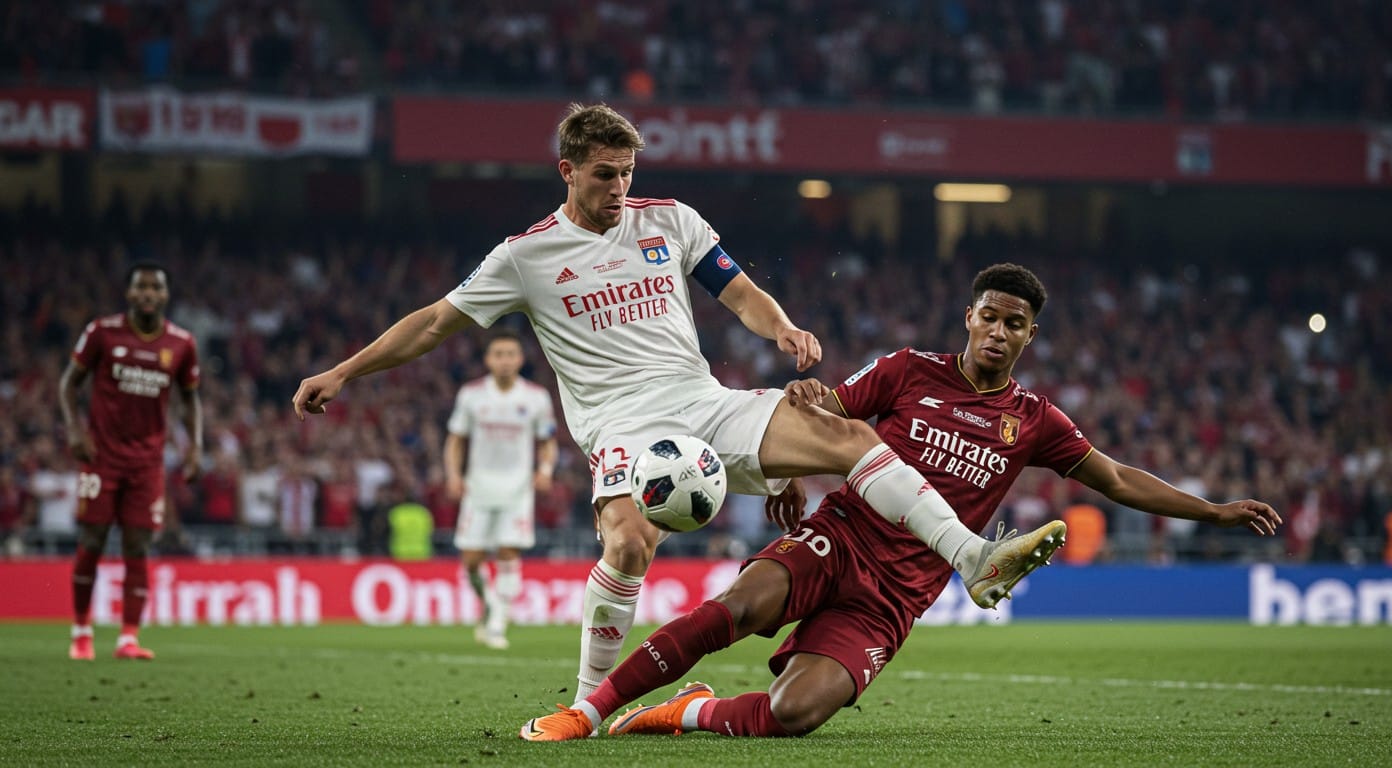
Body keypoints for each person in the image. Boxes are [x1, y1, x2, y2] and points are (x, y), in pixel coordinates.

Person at [293, 103, 1056, 708]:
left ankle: (973, 557)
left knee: (845, 434)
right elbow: (432, 322)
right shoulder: (524, 257)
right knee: (627, 547)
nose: (619, 189)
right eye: (603, 176)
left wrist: (782, 325)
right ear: (567, 171)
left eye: (627, 173)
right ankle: (591, 699)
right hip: (623, 426)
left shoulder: (670, 220)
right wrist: (346, 371)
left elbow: (739, 291)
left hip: (703, 401)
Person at [518, 262, 1282, 741]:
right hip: (842, 535)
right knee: (740, 608)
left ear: (1029, 336)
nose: (998, 330)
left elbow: (1115, 479)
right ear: (971, 318)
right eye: (990, 315)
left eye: (1015, 323)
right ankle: (586, 712)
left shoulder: (1035, 421)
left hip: (897, 592)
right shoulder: (909, 370)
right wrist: (789, 472)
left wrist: (1213, 511)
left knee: (793, 714)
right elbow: (819, 421)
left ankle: (683, 711)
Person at [59, 262, 202, 660]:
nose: (148, 294)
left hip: (147, 462)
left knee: (138, 546)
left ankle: (128, 638)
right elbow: (69, 382)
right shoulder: (102, 332)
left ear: (165, 295)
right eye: (141, 287)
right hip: (101, 456)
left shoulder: (181, 343)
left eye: (155, 287)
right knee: (93, 539)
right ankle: (81, 631)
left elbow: (191, 399)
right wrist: (74, 429)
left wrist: (195, 446)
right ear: (129, 293)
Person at [442, 331, 559, 650]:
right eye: (499, 354)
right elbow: (455, 440)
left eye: (511, 354)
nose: (505, 360)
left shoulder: (535, 397)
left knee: (508, 551)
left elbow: (547, 441)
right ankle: (489, 604)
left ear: (520, 359)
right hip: (478, 487)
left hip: (517, 488)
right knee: (471, 560)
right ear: (488, 359)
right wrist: (453, 474)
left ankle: (497, 622)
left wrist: (545, 470)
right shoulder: (472, 395)